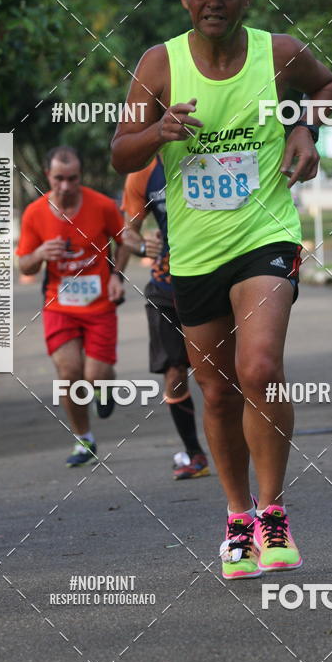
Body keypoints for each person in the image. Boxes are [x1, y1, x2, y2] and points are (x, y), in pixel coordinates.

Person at [112, 0, 332, 579]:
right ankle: (237, 518)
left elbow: (324, 86)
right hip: (195, 250)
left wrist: (304, 127)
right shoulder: (159, 65)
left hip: (265, 235)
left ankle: (273, 514)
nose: (214, 1)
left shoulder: (279, 52)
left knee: (260, 367)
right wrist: (156, 133)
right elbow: (121, 153)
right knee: (214, 392)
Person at [16, 146, 127, 466]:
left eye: (73, 179)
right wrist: (40, 254)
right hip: (59, 304)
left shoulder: (102, 206)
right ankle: (84, 440)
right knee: (69, 373)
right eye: (59, 179)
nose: (66, 186)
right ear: (48, 176)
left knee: (94, 376)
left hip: (99, 305)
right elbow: (25, 266)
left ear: (80, 176)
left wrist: (117, 275)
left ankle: (105, 385)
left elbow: (125, 241)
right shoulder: (35, 213)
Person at [120, 155, 210, 479]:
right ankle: (194, 453)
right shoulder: (142, 173)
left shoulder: (209, 153)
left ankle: (240, 443)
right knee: (174, 371)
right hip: (166, 282)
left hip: (212, 276)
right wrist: (143, 246)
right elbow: (127, 233)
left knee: (222, 372)